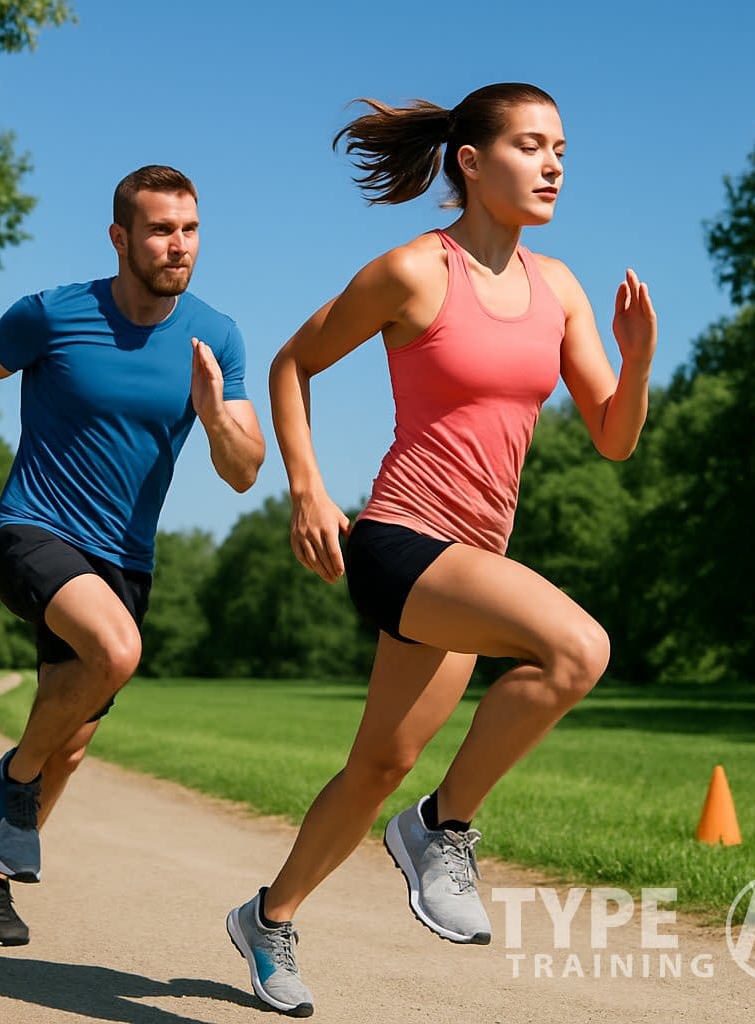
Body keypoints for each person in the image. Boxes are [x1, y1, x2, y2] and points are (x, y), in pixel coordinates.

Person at [226, 83, 657, 1016]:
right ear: (471, 159)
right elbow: (292, 363)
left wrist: (638, 360)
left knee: (377, 765)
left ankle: (269, 919)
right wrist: (305, 485)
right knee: (579, 649)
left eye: (562, 151)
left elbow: (614, 438)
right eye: (532, 146)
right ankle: (440, 828)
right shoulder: (419, 271)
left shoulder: (560, 288)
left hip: (469, 566)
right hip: (398, 541)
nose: (553, 165)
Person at [0, 164, 265, 947]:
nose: (177, 245)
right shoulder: (53, 314)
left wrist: (216, 416)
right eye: (159, 229)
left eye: (188, 229)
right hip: (32, 530)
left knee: (72, 742)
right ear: (121, 237)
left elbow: (245, 471)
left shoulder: (216, 336)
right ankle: (10, 782)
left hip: (125, 561)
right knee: (117, 651)